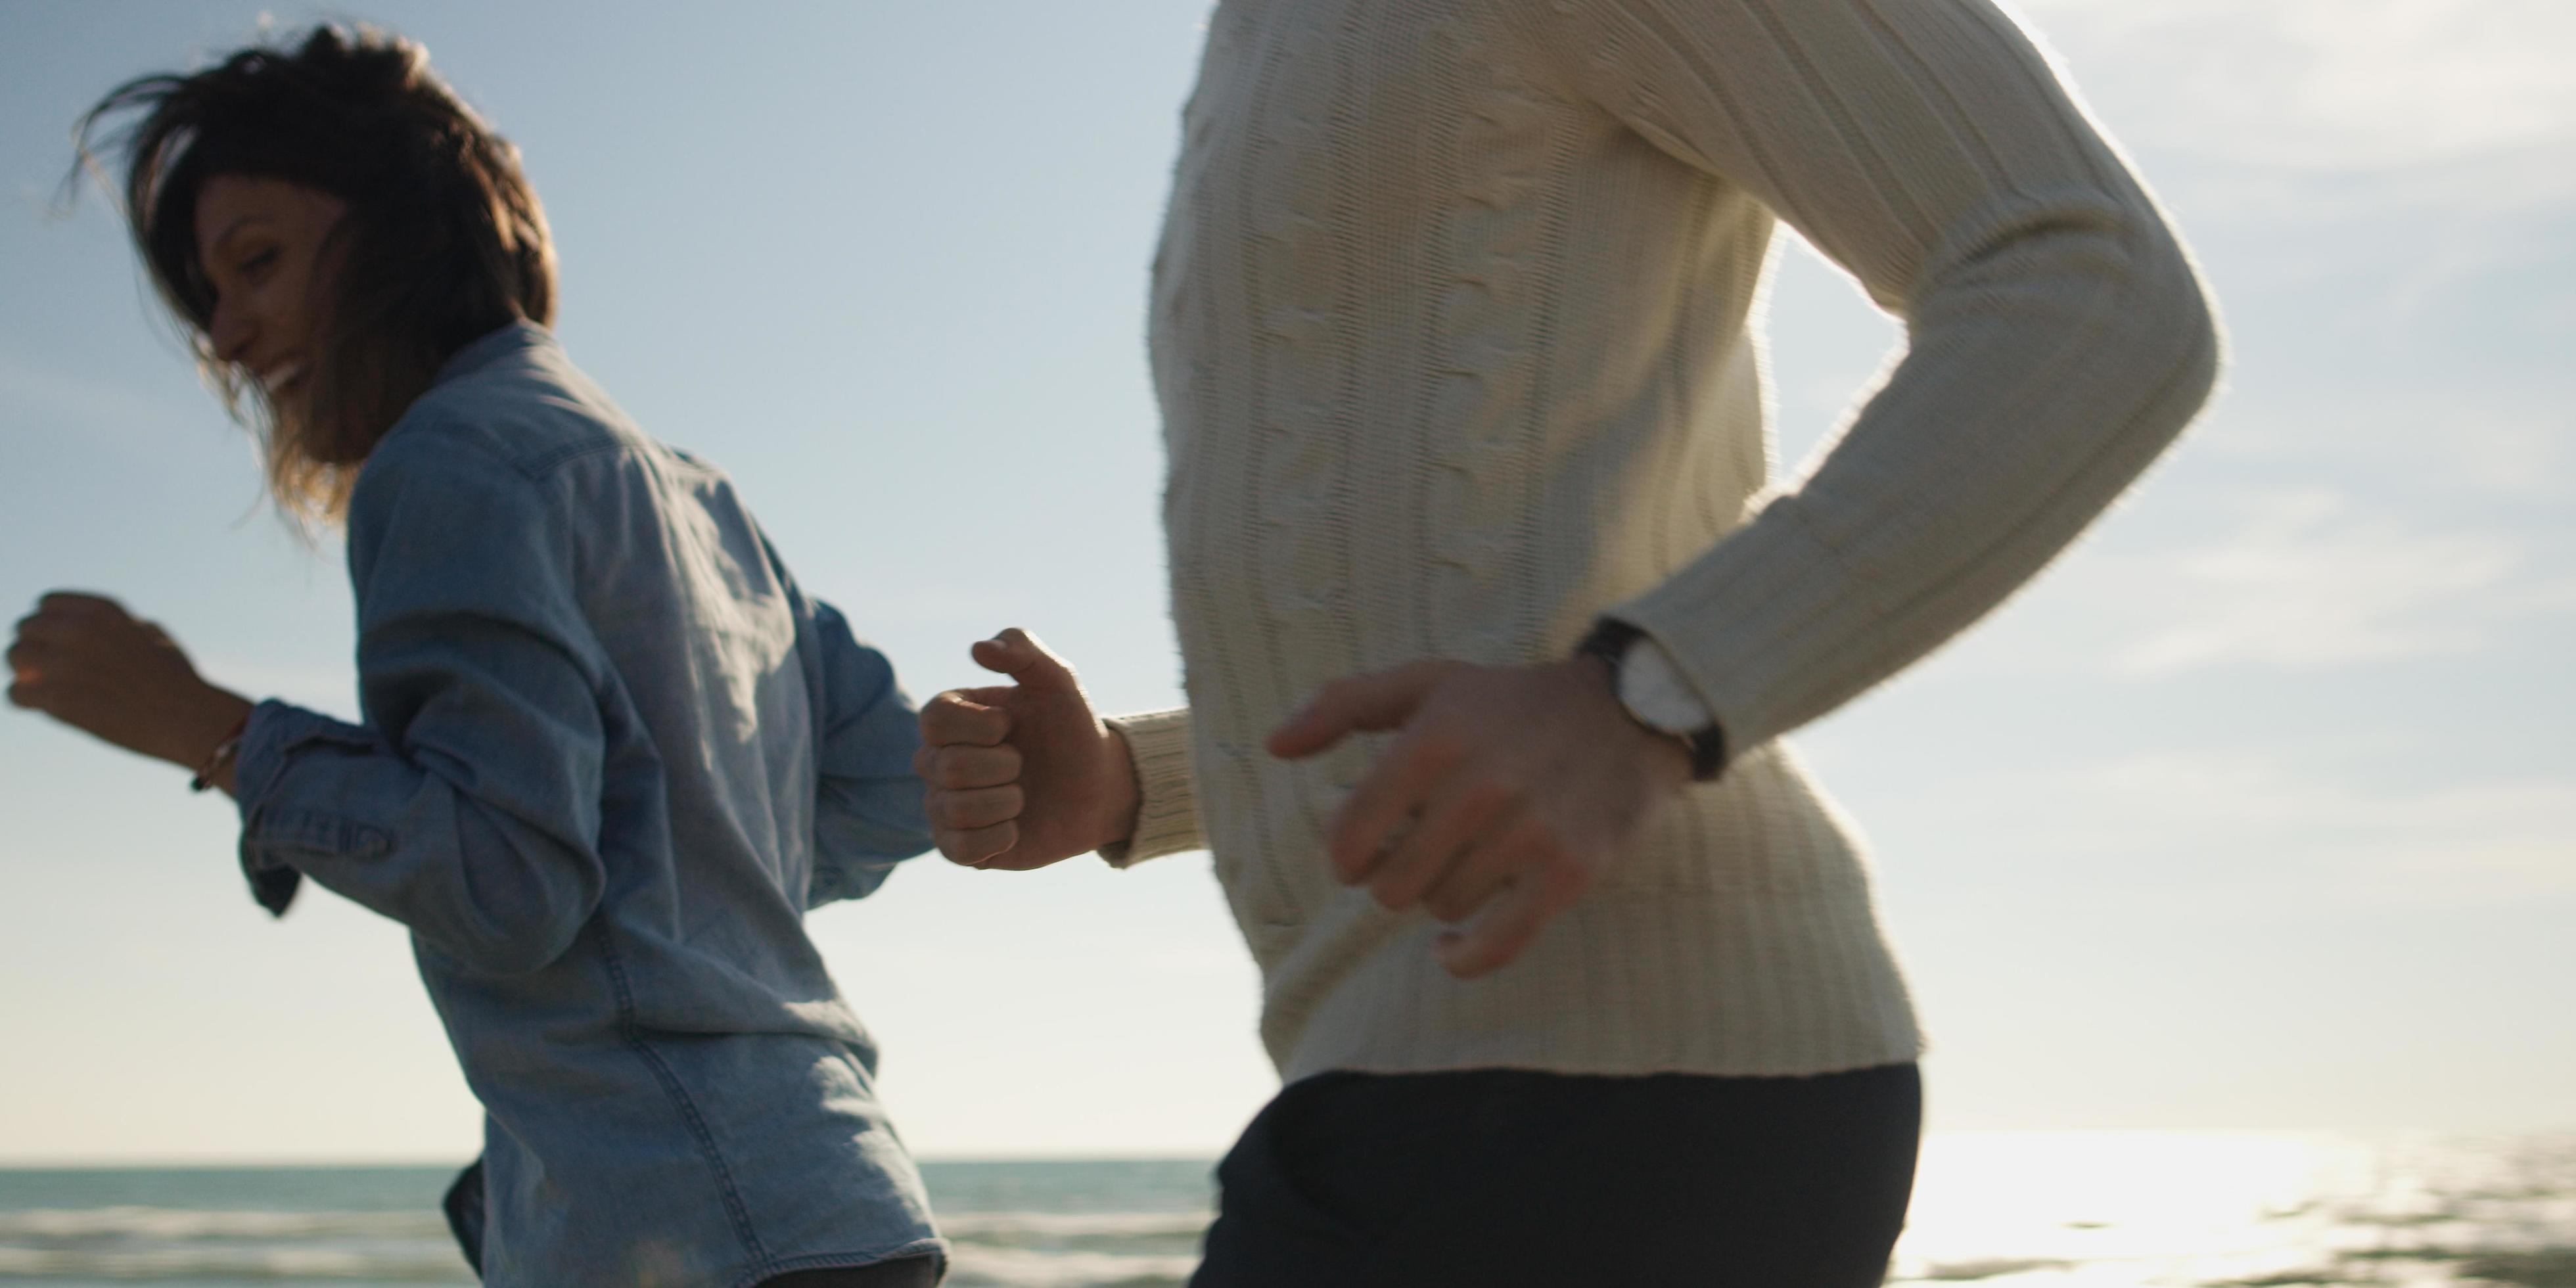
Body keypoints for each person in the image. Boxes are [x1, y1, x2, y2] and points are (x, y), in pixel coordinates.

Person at [917, 0, 2219, 1283]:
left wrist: (1647, 694)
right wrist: (1144, 780)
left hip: (1631, 1090)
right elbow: (1436, 571)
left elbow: (2092, 283)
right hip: (1414, 1084)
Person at [10, 28, 943, 1287]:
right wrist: (679, 907)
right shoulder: (688, 489)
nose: (227, 337)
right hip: (839, 1202)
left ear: (407, 229)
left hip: (682, 1232)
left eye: (258, 263)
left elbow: (509, 887)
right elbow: (885, 787)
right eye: (208, 299)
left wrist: (208, 730)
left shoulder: (445, 463)